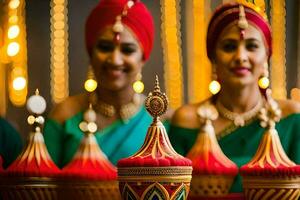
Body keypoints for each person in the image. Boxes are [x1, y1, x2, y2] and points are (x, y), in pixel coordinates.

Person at [169, 2, 300, 194]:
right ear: (213, 58)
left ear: (266, 57)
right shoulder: (189, 120)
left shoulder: (290, 117)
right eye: (229, 47)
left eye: (252, 46)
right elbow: (172, 193)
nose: (240, 56)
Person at [44, 0, 170, 168]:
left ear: (143, 58)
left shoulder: (163, 119)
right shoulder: (64, 116)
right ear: (91, 53)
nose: (115, 60)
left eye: (127, 50)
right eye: (105, 47)